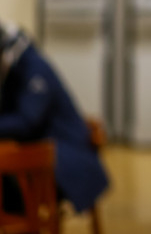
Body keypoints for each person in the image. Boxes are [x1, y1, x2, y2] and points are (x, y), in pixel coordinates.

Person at [0, 18, 109, 214]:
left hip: (68, 164)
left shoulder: (35, 70)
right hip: (46, 157)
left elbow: (26, 122)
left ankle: (25, 223)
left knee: (7, 179)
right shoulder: (18, 70)